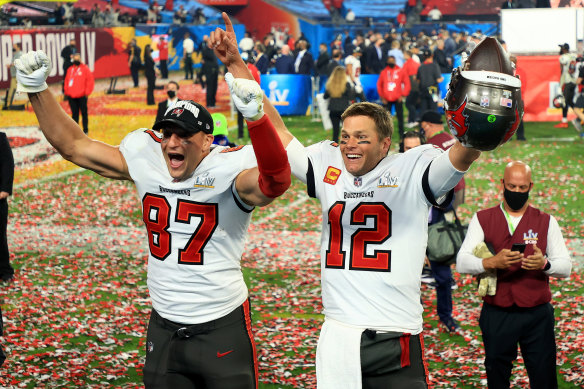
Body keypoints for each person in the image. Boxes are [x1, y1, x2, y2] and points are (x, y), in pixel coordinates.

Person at [14, 13, 291, 385]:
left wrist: (254, 114)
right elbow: (75, 146)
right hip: (163, 326)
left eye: (185, 135)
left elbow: (275, 180)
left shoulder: (228, 170)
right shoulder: (148, 156)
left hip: (221, 323)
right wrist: (36, 88)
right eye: (167, 134)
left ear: (208, 140)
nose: (173, 142)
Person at [457, 161, 572, 389]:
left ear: (530, 186)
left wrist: (545, 264)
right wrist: (491, 262)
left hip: (537, 313)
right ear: (502, 184)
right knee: (497, 375)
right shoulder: (483, 218)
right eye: (511, 186)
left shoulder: (546, 221)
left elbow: (566, 266)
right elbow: (462, 262)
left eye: (522, 188)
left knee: (544, 375)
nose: (516, 192)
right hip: (498, 311)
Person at [419, 110, 465, 333]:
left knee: (443, 275)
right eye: (406, 149)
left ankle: (446, 316)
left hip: (435, 223)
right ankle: (410, 314)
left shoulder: (433, 149)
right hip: (409, 227)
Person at [377, 55, 411, 141]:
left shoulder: (400, 71)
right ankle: (386, 135)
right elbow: (379, 85)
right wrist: (382, 97)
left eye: (393, 60)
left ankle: (401, 135)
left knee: (400, 118)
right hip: (386, 99)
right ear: (387, 62)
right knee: (385, 119)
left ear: (395, 61)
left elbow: (407, 83)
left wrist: (403, 95)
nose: (391, 62)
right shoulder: (384, 72)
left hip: (397, 98)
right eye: (390, 60)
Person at [324, 66, 357, 143]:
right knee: (346, 131)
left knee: (335, 131)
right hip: (344, 110)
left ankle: (334, 148)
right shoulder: (346, 84)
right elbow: (350, 97)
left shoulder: (330, 85)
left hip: (333, 110)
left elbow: (325, 96)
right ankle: (347, 145)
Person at [64, 52, 94, 134]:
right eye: (75, 58)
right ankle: (75, 131)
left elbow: (90, 81)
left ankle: (85, 130)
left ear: (80, 59)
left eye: (78, 58)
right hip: (72, 96)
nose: (76, 59)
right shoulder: (70, 69)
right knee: (74, 114)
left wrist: (87, 92)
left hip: (82, 96)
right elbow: (66, 81)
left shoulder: (85, 69)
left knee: (84, 113)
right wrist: (67, 92)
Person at [0, 131, 14, 283]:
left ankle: (5, 269)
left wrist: (5, 189)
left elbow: (8, 164)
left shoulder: (0, 138)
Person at [555, 43, 577, 129]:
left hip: (567, 81)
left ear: (564, 49)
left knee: (564, 101)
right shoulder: (574, 55)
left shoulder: (563, 57)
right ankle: (581, 116)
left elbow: (562, 70)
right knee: (570, 101)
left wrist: (561, 82)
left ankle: (564, 121)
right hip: (574, 81)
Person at [416, 49, 443, 114]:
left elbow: (418, 80)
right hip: (433, 90)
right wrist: (442, 78)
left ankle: (423, 123)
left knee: (424, 109)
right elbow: (438, 80)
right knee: (433, 108)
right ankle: (434, 123)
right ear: (432, 56)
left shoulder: (421, 66)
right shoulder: (434, 65)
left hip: (423, 90)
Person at [509, 55, 527, 140]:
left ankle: (520, 136)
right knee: (509, 118)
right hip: (510, 98)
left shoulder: (520, 72)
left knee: (518, 118)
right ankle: (510, 136)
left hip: (517, 98)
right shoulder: (507, 71)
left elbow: (523, 86)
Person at [200, 35, 219, 108]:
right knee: (210, 87)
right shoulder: (205, 50)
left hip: (215, 71)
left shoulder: (213, 50)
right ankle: (209, 103)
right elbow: (205, 60)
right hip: (209, 71)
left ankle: (213, 103)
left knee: (214, 87)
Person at [4, 43, 22, 109]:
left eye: (14, 46)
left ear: (18, 47)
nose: (13, 47)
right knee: (12, 90)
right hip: (14, 75)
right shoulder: (15, 54)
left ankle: (8, 103)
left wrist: (10, 65)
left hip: (18, 75)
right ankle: (8, 103)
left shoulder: (19, 54)